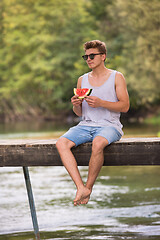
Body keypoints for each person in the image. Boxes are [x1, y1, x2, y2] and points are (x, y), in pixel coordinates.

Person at [56, 40, 130, 206]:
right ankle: (80, 187)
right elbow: (80, 113)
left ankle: (88, 188)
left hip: (110, 126)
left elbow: (125, 106)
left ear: (103, 56)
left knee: (97, 144)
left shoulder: (116, 77)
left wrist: (101, 102)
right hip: (85, 126)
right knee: (61, 143)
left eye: (92, 55)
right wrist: (76, 105)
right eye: (86, 56)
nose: (88, 59)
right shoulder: (82, 80)